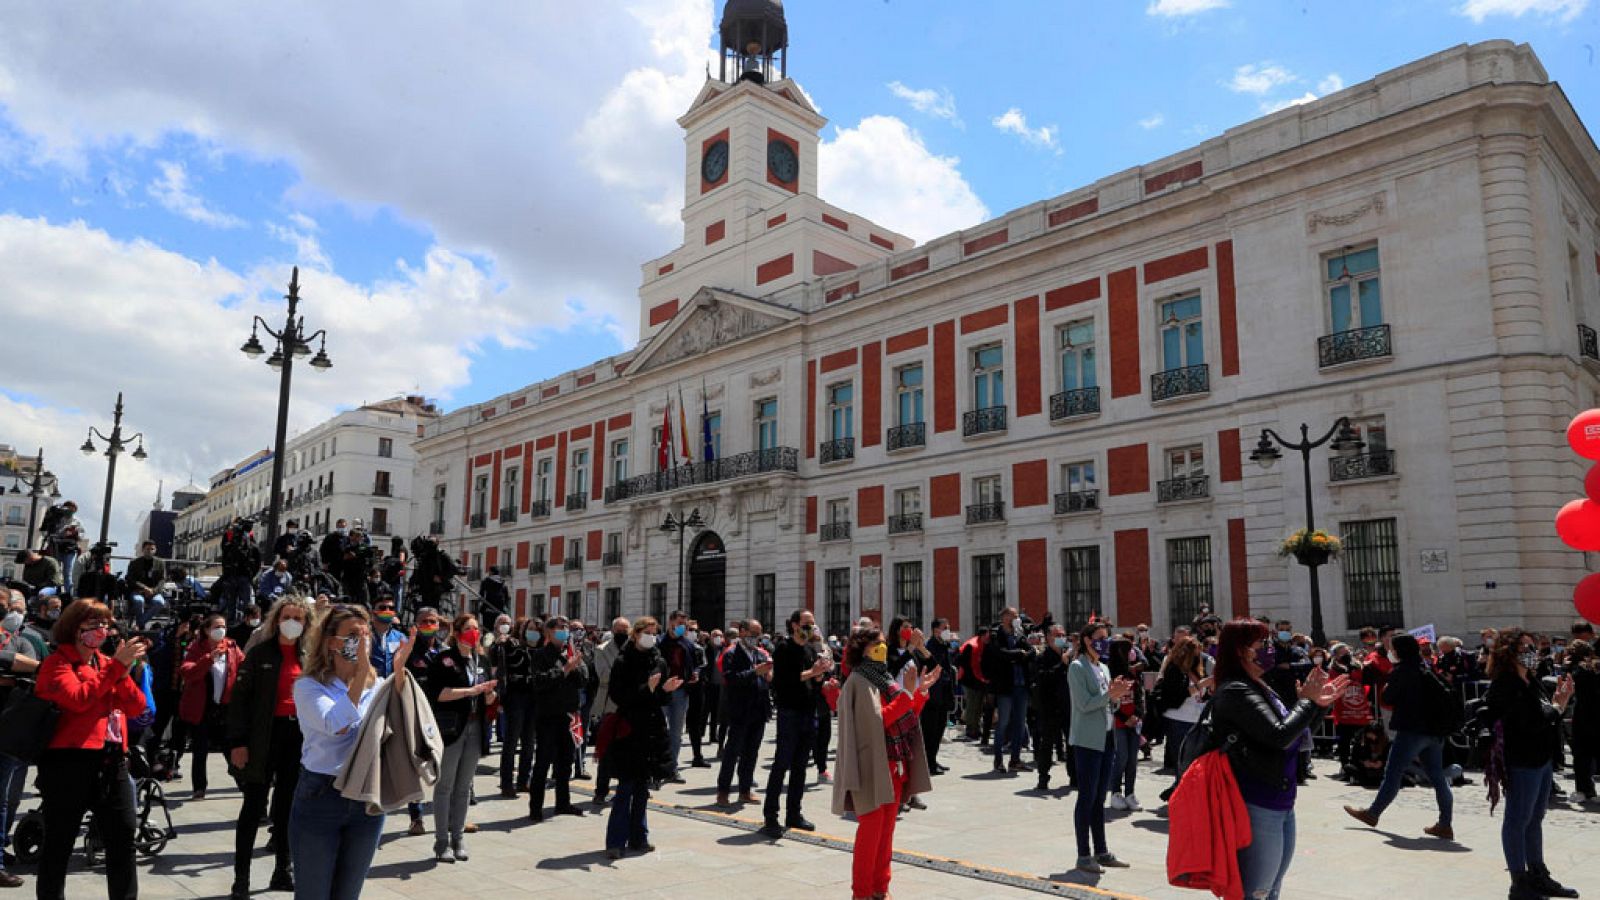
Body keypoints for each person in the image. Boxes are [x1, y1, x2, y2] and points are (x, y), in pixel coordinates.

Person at [1210, 618, 1343, 900]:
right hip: (1257, 801)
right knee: (1255, 892)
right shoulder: (1236, 690)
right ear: (1241, 650)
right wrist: (1307, 702)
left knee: (1271, 890)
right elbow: (1278, 735)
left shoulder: (1260, 686)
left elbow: (1296, 736)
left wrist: (1317, 706)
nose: (1269, 648)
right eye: (1262, 643)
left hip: (1281, 799)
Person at [290, 604, 413, 900]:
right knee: (313, 894)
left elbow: (401, 724)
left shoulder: (377, 685)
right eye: (353, 636)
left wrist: (399, 674)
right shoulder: (309, 686)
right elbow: (338, 724)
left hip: (365, 796)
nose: (363, 641)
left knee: (348, 893)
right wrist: (359, 675)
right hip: (321, 795)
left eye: (366, 634)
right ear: (332, 642)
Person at [32, 598, 150, 900]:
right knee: (59, 844)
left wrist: (122, 672)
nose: (102, 630)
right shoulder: (57, 663)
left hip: (112, 761)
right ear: (75, 628)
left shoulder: (106, 663)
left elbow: (136, 707)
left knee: (123, 839)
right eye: (94, 624)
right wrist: (116, 669)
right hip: (68, 763)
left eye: (105, 624)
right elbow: (78, 699)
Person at [833, 626, 940, 900]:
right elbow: (877, 722)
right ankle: (861, 893)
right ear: (863, 649)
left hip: (894, 765)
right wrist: (907, 694)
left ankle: (880, 887)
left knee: (886, 831)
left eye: (883, 643)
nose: (882, 648)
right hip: (871, 766)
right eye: (876, 644)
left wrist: (919, 694)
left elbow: (906, 716)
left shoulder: (884, 678)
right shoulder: (858, 680)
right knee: (871, 832)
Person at [1483, 628, 1580, 900]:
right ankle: (1519, 882)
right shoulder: (1506, 685)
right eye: (1525, 648)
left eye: (1532, 648)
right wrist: (1558, 707)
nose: (1531, 653)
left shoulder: (1530, 680)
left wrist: (1559, 703)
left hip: (1541, 758)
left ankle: (1538, 874)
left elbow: (1544, 715)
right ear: (1508, 653)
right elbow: (1530, 722)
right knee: (1517, 820)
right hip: (1522, 760)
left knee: (1535, 819)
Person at [226, 595, 311, 898]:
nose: (292, 623)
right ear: (276, 620)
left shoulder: (310, 657)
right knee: (253, 807)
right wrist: (238, 742)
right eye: (287, 617)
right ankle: (241, 878)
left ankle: (283, 870)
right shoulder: (259, 653)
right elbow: (239, 701)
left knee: (288, 807)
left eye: (298, 618)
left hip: (297, 737)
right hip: (263, 737)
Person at [1343, 633, 1456, 840]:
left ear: (1399, 651)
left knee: (1393, 773)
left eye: (1392, 649)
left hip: (1411, 731)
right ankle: (1445, 824)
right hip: (1433, 732)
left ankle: (1373, 813)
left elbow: (1387, 698)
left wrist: (1388, 685)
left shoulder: (1402, 671)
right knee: (1438, 777)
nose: (1390, 652)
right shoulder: (1425, 668)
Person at [602, 616, 681, 858]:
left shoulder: (659, 661)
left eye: (654, 633)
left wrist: (665, 690)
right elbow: (618, 695)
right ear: (635, 634)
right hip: (629, 728)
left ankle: (639, 837)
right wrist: (647, 689)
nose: (651, 637)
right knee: (625, 786)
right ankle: (615, 841)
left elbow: (661, 699)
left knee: (642, 788)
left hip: (652, 729)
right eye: (647, 632)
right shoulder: (623, 661)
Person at [424, 613, 495, 860]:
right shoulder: (444, 660)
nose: (474, 633)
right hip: (451, 728)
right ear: (457, 633)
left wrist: (489, 694)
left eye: (476, 629)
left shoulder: (481, 660)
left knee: (464, 787)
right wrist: (470, 691)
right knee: (445, 786)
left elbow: (489, 696)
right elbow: (438, 693)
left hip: (476, 727)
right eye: (468, 628)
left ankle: (458, 837)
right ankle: (441, 841)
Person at [1067, 621, 1133, 874]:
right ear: (1087, 640)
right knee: (1087, 796)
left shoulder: (1103, 667)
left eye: (1106, 637)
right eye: (1099, 637)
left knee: (1099, 797)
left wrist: (1116, 695)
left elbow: (1108, 704)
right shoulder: (1077, 667)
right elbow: (1084, 704)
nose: (1104, 642)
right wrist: (1110, 695)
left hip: (1106, 736)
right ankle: (1083, 854)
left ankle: (1102, 851)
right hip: (1087, 739)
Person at [762, 609, 829, 836]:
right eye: (806, 624)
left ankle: (794, 813)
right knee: (781, 764)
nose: (810, 628)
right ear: (794, 625)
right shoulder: (783, 648)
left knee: (800, 766)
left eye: (812, 623)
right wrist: (812, 672)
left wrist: (820, 677)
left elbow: (812, 682)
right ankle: (771, 816)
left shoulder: (809, 649)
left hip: (808, 711)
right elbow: (784, 680)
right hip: (789, 711)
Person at [0, 592, 45, 889]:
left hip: (9, 734)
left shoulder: (21, 640)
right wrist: (11, 667)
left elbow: (36, 667)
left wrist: (13, 667)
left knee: (4, 800)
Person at [179, 613, 245, 801]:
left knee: (230, 748)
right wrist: (208, 659)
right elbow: (187, 672)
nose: (221, 630)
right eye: (216, 627)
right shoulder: (196, 648)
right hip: (202, 707)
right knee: (200, 750)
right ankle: (199, 788)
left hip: (224, 708)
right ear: (207, 630)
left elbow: (244, 666)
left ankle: (243, 783)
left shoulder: (232, 647)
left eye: (223, 626)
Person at [528, 614, 587, 821]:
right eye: (560, 628)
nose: (565, 631)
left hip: (569, 715)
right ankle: (536, 807)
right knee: (543, 762)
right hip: (548, 716)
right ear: (549, 632)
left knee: (565, 762)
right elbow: (540, 682)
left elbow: (583, 680)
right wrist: (565, 669)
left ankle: (563, 802)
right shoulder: (541, 655)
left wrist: (575, 666)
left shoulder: (570, 653)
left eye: (566, 627)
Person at [399, 607, 445, 836]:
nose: (429, 625)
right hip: (416, 714)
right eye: (424, 621)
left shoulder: (444, 651)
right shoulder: (409, 650)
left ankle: (447, 815)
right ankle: (416, 817)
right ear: (416, 625)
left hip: (442, 715)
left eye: (433, 621)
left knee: (443, 764)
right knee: (416, 764)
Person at [716, 619, 771, 807]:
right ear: (742, 632)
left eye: (758, 634)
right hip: (740, 710)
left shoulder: (760, 653)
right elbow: (731, 679)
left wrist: (767, 676)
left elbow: (766, 676)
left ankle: (745, 790)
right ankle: (723, 791)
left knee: (751, 752)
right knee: (732, 752)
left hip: (759, 709)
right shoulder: (731, 653)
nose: (756, 638)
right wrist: (754, 672)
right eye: (753, 634)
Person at [492, 615, 538, 797]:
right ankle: (506, 783)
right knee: (511, 742)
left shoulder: (539, 649)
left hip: (533, 698)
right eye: (530, 629)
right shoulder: (512, 645)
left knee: (529, 742)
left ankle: (524, 780)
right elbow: (498, 662)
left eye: (537, 630)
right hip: (515, 697)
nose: (533, 633)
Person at [984, 607, 1032, 774]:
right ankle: (998, 759)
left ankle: (1015, 759)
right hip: (1005, 686)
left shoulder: (1019, 633)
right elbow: (1000, 653)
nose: (1017, 618)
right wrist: (1018, 654)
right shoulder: (996, 634)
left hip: (1021, 684)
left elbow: (1031, 651)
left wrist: (1023, 654)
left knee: (1020, 723)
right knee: (1003, 723)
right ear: (1005, 617)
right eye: (1014, 616)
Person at [1155, 635, 1210, 774]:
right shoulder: (1174, 669)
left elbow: (1202, 695)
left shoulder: (1195, 670)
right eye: (1195, 652)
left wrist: (1208, 689)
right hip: (1178, 719)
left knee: (1195, 766)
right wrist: (1200, 685)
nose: (1198, 656)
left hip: (1196, 720)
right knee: (1183, 766)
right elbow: (1176, 696)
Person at [590, 617, 627, 805]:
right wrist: (627, 675)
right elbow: (604, 675)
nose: (623, 634)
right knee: (606, 749)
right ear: (613, 631)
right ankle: (601, 791)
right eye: (619, 630)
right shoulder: (602, 649)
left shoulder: (634, 649)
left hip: (630, 704)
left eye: (625, 631)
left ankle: (624, 789)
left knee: (627, 748)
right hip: (609, 704)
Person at [1106, 636, 1146, 811]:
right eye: (1127, 650)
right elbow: (1109, 700)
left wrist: (1137, 714)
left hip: (1134, 722)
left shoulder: (1132, 673)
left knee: (1132, 760)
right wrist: (1124, 718)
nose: (1132, 653)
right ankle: (1115, 792)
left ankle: (1130, 793)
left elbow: (1140, 696)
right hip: (1118, 722)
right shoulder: (1109, 673)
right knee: (1121, 757)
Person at [1031, 623, 1072, 791]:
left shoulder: (1070, 656)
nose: (1061, 638)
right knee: (1047, 743)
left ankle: (1074, 776)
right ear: (1048, 637)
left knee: (1071, 743)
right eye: (1057, 635)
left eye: (1063, 635)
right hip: (1049, 707)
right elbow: (1042, 678)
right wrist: (1061, 664)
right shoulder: (1042, 657)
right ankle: (1043, 777)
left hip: (1067, 706)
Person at [658, 610, 696, 780]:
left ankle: (672, 768)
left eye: (685, 625)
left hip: (681, 691)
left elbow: (694, 665)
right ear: (670, 622)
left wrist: (694, 675)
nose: (682, 627)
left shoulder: (687, 644)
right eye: (679, 624)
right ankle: (657, 767)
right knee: (659, 730)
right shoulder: (659, 642)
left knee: (676, 732)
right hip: (662, 691)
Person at [921, 618, 956, 775]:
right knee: (931, 730)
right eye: (945, 628)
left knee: (940, 728)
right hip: (933, 694)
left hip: (943, 693)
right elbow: (934, 667)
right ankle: (928, 763)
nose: (948, 630)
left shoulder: (944, 645)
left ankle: (933, 759)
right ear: (936, 630)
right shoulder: (930, 646)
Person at [125, 541, 167, 627]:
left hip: (154, 592)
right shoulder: (134, 562)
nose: (149, 551)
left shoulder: (160, 563)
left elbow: (162, 580)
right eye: (147, 549)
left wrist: (153, 591)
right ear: (143, 550)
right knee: (139, 601)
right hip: (138, 591)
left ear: (155, 550)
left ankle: (139, 624)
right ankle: (141, 625)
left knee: (159, 602)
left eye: (152, 549)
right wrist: (144, 588)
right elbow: (130, 579)